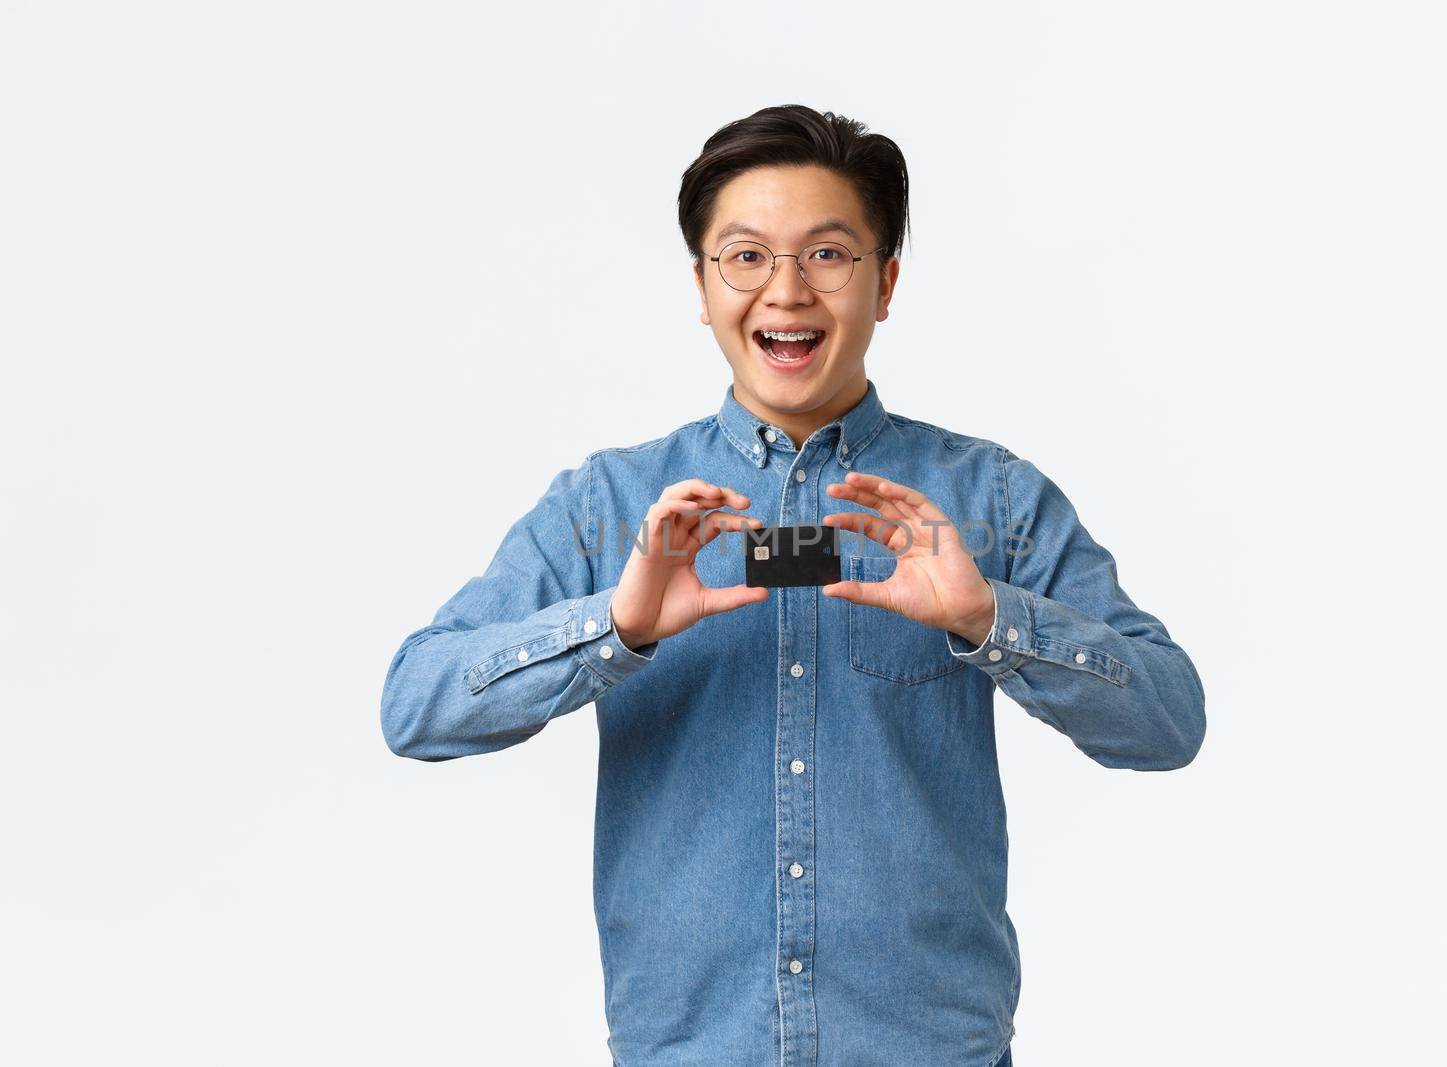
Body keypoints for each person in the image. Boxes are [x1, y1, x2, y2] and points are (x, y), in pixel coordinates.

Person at [380, 104, 1205, 1067]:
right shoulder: (610, 505)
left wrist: (992, 619)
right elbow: (415, 705)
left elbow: (1169, 722)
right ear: (701, 283)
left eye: (827, 255)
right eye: (745, 256)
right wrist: (615, 628)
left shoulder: (991, 499)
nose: (786, 290)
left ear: (886, 281)